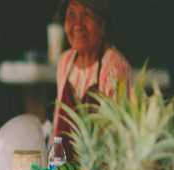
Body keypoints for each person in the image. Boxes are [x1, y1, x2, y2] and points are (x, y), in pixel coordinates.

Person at [53, 0, 132, 158]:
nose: (77, 24)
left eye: (86, 15)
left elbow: (118, 137)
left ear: (102, 24)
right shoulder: (65, 62)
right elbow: (57, 122)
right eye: (71, 15)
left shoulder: (114, 66)